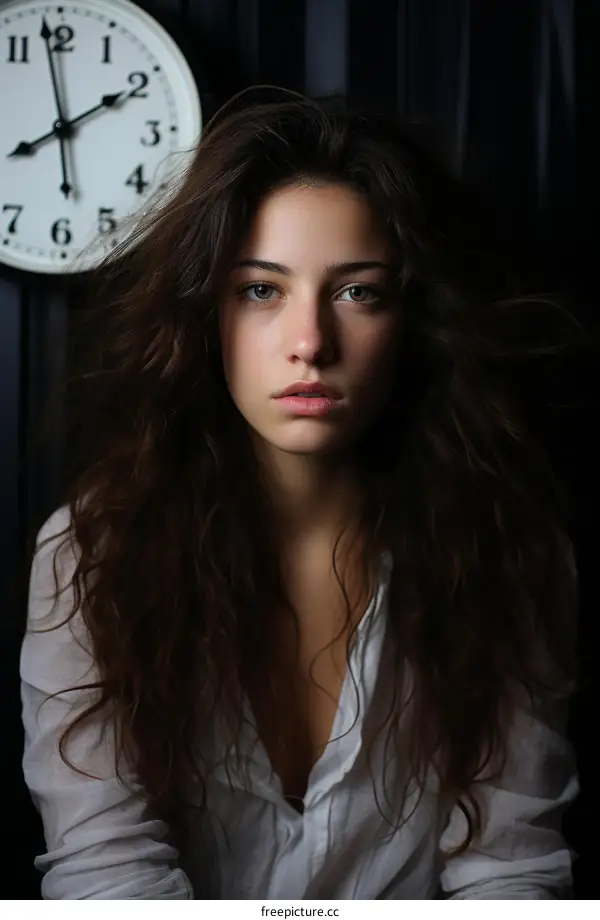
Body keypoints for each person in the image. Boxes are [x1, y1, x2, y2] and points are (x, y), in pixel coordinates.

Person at [20, 87, 579, 899]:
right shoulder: (94, 553)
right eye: (261, 290)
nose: (310, 343)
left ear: (413, 320)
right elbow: (106, 876)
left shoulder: (511, 554)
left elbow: (510, 870)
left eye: (358, 291)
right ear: (203, 314)